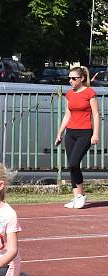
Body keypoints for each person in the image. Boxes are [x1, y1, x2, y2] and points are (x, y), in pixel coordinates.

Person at [55, 66, 100, 209]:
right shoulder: (69, 94)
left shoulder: (90, 93)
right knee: (71, 166)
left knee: (74, 163)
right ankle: (76, 197)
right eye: (69, 78)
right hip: (71, 133)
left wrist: (95, 134)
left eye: (73, 78)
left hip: (85, 133)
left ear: (82, 79)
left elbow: (96, 115)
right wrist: (59, 133)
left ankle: (81, 195)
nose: (71, 81)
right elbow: (67, 115)